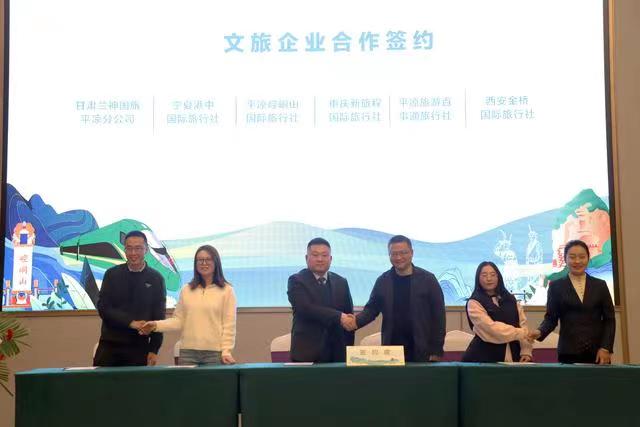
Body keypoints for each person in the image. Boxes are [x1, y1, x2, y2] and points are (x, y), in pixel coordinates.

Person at [140, 245, 237, 365]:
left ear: (216, 262)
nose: (204, 263)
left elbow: (229, 326)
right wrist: (156, 325)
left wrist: (226, 351)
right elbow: (178, 321)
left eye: (208, 259)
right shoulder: (186, 289)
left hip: (215, 354)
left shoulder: (227, 290)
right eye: (200, 260)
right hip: (187, 353)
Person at [355, 235, 445, 362]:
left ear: (411, 253)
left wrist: (436, 350)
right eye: (394, 254)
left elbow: (439, 317)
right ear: (389, 255)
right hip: (391, 351)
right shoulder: (383, 281)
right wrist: (353, 321)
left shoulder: (428, 280)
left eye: (403, 253)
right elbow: (371, 310)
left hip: (422, 350)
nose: (398, 257)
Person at [529, 240, 615, 364]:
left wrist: (605, 348)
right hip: (568, 352)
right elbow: (551, 319)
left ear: (588, 258)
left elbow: (609, 320)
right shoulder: (556, 286)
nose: (577, 261)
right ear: (565, 259)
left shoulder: (600, 285)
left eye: (582, 257)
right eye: (572, 257)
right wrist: (539, 331)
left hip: (597, 353)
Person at [94, 230, 166, 367]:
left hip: (139, 348)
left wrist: (154, 349)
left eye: (138, 248)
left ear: (146, 250)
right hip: (109, 346)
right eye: (129, 248)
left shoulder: (156, 278)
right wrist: (131, 323)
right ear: (124, 250)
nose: (133, 253)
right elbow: (103, 308)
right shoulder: (111, 274)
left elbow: (159, 317)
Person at [287, 237, 355, 362]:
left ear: (330, 258)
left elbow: (348, 316)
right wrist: (339, 316)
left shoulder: (341, 282)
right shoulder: (296, 280)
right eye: (315, 255)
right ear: (306, 258)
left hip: (338, 354)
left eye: (324, 255)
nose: (320, 259)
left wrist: (349, 351)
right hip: (307, 353)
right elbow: (305, 308)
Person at [462, 261, 532, 363]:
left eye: (493, 275)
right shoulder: (474, 302)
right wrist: (522, 333)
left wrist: (526, 350)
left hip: (515, 356)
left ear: (498, 277)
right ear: (478, 279)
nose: (489, 278)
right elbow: (492, 329)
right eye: (484, 275)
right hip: (484, 358)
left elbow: (522, 324)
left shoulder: (511, 299)